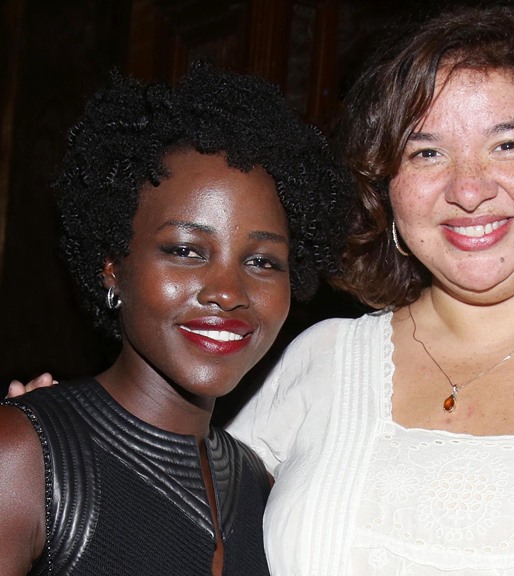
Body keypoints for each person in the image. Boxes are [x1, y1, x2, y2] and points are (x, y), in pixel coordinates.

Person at [10, 3, 514, 576]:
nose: (468, 188)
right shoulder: (320, 363)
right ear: (384, 184)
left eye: (509, 144)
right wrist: (64, 449)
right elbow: (170, 501)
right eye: (426, 151)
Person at [0, 62, 350, 575]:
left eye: (262, 261)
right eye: (187, 251)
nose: (229, 293)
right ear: (113, 268)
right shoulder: (28, 459)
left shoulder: (263, 492)